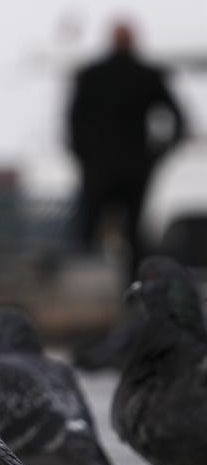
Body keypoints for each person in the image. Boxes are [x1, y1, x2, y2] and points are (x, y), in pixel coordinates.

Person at [67, 21, 187, 280]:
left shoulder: (92, 75)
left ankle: (83, 283)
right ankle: (134, 289)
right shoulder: (148, 75)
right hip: (136, 166)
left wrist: (83, 154)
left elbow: (73, 121)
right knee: (134, 232)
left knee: (88, 228)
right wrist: (159, 153)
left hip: (99, 166)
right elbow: (179, 121)